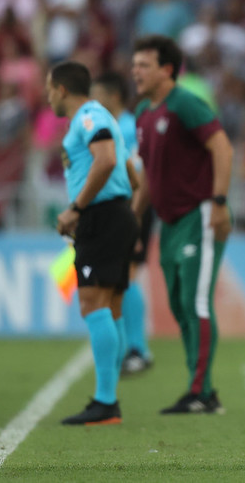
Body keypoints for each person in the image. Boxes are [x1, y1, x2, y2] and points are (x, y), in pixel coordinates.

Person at [130, 35, 233, 414]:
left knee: (195, 301)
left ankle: (201, 391)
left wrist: (219, 202)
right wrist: (131, 220)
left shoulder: (185, 103)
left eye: (143, 64)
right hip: (170, 222)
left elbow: (222, 147)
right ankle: (199, 388)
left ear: (167, 70)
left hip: (201, 213)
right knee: (178, 303)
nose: (135, 71)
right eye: (135, 64)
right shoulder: (144, 112)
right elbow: (148, 178)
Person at [46, 61, 138, 425]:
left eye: (49, 89)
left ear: (62, 90)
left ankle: (105, 402)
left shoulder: (87, 116)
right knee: (110, 307)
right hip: (114, 215)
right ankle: (108, 401)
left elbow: (107, 161)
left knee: (92, 303)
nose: (47, 96)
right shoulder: (104, 117)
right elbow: (132, 174)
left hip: (100, 216)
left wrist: (76, 209)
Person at [91, 72, 154, 374]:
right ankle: (132, 347)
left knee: (127, 275)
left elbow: (139, 175)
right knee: (120, 278)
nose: (93, 100)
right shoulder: (111, 127)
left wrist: (135, 217)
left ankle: (138, 349)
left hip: (134, 206)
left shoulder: (129, 127)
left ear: (114, 96)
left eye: (98, 94)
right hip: (119, 208)